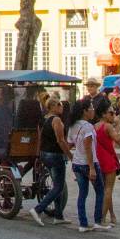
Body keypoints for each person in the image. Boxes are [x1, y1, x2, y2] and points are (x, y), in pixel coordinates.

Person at [32, 92, 70, 226]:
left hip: (45, 153)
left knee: (56, 184)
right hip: (55, 154)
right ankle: (38, 209)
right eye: (60, 104)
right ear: (53, 106)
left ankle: (58, 215)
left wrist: (38, 155)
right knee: (59, 186)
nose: (62, 106)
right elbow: (60, 140)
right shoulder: (56, 120)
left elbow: (40, 137)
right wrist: (69, 155)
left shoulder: (43, 119)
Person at [69, 100, 103, 232]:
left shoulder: (73, 126)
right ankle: (97, 220)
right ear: (85, 111)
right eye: (91, 108)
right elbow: (88, 148)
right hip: (88, 163)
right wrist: (92, 168)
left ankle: (83, 223)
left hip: (77, 162)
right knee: (100, 191)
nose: (93, 110)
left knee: (82, 194)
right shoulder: (88, 127)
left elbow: (70, 144)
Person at [95, 100, 120, 228]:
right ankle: (102, 218)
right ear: (104, 114)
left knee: (105, 189)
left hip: (98, 160)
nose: (113, 115)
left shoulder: (95, 126)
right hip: (108, 160)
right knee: (108, 190)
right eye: (111, 113)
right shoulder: (108, 126)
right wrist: (119, 125)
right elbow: (119, 140)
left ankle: (112, 215)